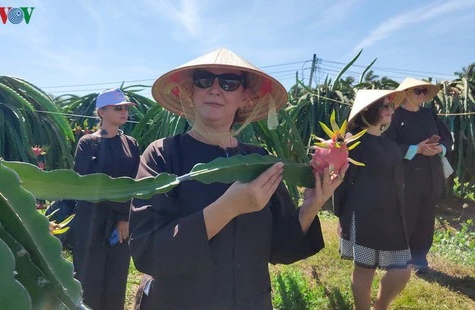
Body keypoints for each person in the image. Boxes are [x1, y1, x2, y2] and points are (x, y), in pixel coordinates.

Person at [129, 48, 347, 309]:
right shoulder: (162, 155)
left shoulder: (260, 161)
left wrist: (311, 205)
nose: (215, 89)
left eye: (229, 83)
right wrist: (229, 207)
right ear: (192, 90)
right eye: (204, 80)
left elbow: (281, 248)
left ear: (244, 96)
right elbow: (148, 252)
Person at [334, 89, 411, 310]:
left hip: (391, 216)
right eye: (385, 106)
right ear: (368, 111)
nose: (390, 111)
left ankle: (381, 305)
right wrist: (340, 216)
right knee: (365, 268)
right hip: (364, 215)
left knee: (403, 269)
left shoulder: (386, 141)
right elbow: (341, 181)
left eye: (391, 106)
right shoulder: (353, 143)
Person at [71, 88, 140, 310]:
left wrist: (126, 218)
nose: (124, 112)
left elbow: (136, 182)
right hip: (91, 219)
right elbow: (86, 184)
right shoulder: (87, 143)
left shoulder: (131, 143)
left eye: (126, 108)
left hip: (121, 222)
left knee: (116, 278)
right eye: (118, 108)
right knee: (87, 280)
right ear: (102, 112)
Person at [384, 78, 453, 273]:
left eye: (424, 91)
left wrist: (439, 147)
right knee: (406, 217)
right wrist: (416, 149)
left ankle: (420, 259)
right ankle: (400, 259)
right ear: (405, 92)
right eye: (418, 91)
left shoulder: (429, 113)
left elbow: (447, 137)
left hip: (431, 175)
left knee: (425, 218)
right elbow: (387, 146)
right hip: (406, 178)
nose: (422, 94)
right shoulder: (394, 116)